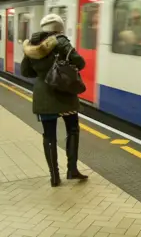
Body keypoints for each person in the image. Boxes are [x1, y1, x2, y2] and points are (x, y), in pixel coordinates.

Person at [20, 14, 88, 187]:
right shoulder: (61, 41)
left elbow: (26, 71)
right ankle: (72, 170)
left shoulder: (32, 44)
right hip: (64, 92)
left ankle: (54, 177)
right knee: (72, 129)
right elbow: (80, 62)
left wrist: (43, 74)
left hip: (43, 95)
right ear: (59, 28)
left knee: (49, 136)